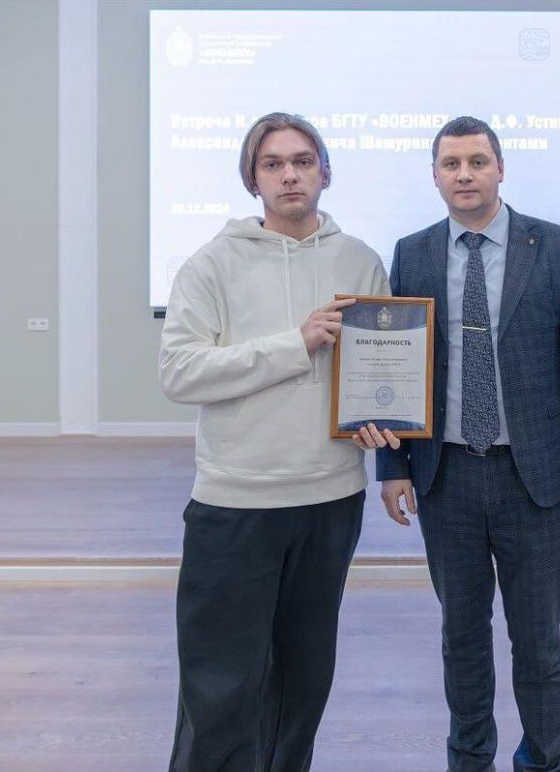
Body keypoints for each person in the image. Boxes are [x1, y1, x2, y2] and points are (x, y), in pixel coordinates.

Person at [376, 116, 560, 772]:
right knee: (461, 638)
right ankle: (469, 758)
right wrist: (391, 464)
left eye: (477, 162)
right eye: (450, 164)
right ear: (434, 175)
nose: (464, 175)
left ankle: (543, 760)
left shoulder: (556, 247)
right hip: (444, 477)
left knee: (537, 641)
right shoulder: (413, 253)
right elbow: (395, 366)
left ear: (500, 169)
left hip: (531, 479)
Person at [159, 112, 394, 772]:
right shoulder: (210, 265)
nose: (289, 174)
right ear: (252, 179)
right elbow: (179, 372)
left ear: (325, 173)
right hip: (236, 503)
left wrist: (380, 419)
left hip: (331, 501)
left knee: (301, 687)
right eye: (272, 164)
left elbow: (379, 371)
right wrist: (295, 344)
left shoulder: (360, 261)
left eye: (302, 161)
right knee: (219, 690)